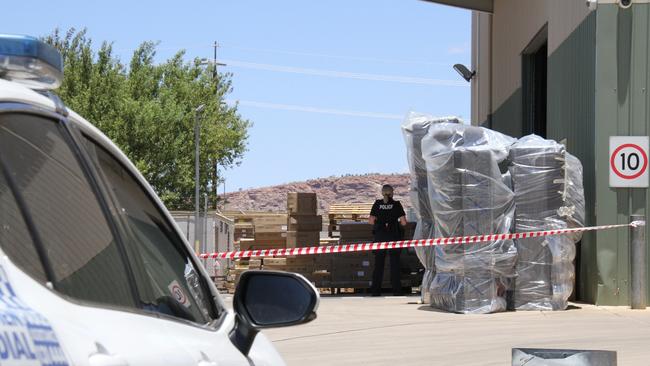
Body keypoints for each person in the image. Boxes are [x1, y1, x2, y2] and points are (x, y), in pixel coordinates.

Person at [369, 184, 407, 296]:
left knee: (378, 265)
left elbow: (370, 221)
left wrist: (379, 222)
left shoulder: (377, 204)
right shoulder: (396, 204)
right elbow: (404, 222)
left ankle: (375, 292)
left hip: (380, 237)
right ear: (392, 193)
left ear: (382, 193)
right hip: (393, 237)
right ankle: (397, 291)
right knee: (394, 265)